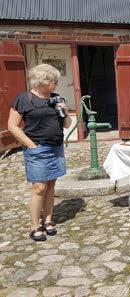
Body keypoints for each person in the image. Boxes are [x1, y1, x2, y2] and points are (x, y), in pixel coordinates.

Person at [8, 63, 72, 241]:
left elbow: (67, 125)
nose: (56, 84)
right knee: (39, 187)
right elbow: (12, 126)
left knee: (51, 185)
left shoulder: (56, 98)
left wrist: (65, 112)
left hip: (56, 147)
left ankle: (48, 220)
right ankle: (34, 226)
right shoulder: (24, 99)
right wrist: (30, 145)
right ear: (42, 82)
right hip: (37, 148)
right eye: (54, 81)